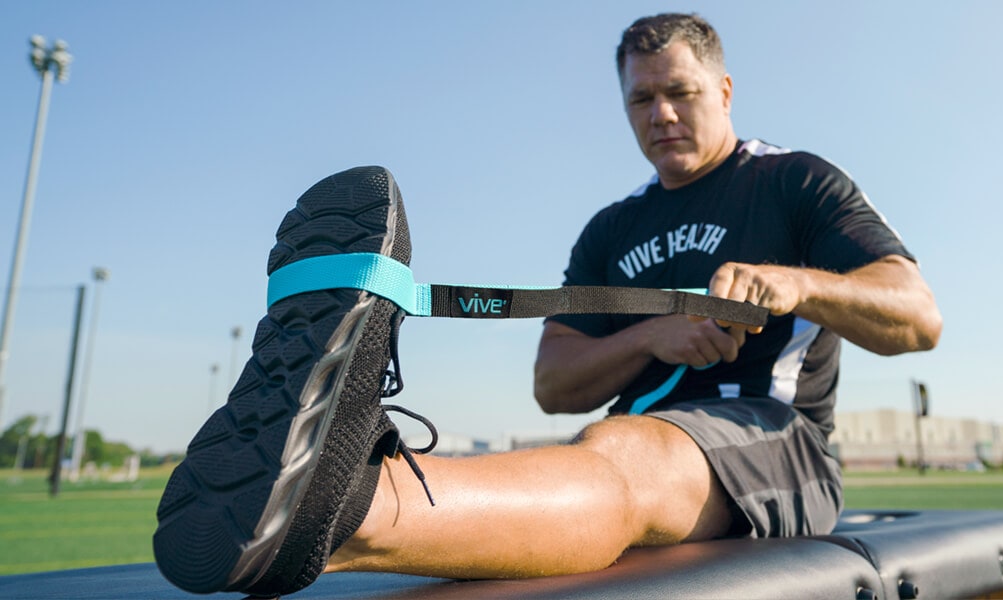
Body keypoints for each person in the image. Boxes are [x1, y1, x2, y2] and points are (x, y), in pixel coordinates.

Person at [153, 12, 940, 597]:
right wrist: (653, 338)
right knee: (608, 447)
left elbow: (916, 314)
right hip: (635, 437)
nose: (661, 115)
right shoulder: (612, 227)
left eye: (681, 93)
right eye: (641, 101)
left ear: (725, 90)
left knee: (627, 458)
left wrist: (797, 283)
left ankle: (339, 500)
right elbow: (555, 384)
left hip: (775, 438)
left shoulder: (796, 181)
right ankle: (302, 512)